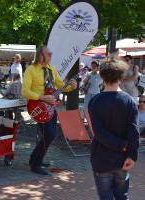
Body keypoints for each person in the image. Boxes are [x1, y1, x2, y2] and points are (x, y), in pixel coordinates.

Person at [88, 55, 139, 200]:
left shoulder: (95, 101)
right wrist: (131, 153)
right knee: (122, 196)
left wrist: (124, 147)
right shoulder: (129, 100)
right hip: (123, 158)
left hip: (102, 158)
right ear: (120, 76)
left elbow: (99, 132)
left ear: (102, 76)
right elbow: (133, 130)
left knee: (106, 197)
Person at [22, 45, 77, 175]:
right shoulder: (31, 69)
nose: (51, 55)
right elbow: (25, 91)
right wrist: (43, 97)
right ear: (41, 56)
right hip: (38, 107)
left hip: (50, 107)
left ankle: (35, 158)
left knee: (50, 134)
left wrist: (71, 87)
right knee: (50, 134)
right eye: (49, 54)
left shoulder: (52, 69)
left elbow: (60, 86)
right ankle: (36, 162)